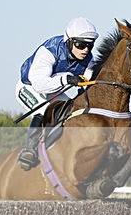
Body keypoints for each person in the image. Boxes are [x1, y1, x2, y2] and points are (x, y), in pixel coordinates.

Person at [15, 17, 99, 170]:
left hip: (53, 92)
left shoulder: (88, 59)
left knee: (70, 112)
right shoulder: (49, 51)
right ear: (69, 41)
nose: (85, 50)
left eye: (90, 45)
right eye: (81, 45)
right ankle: (29, 150)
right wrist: (67, 79)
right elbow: (40, 85)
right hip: (29, 88)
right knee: (45, 111)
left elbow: (89, 82)